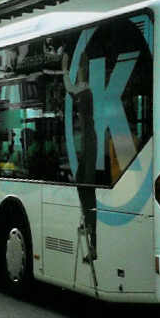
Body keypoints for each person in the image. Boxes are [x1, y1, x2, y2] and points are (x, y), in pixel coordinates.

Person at [62, 51, 98, 261]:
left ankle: (93, 244)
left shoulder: (85, 90)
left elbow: (70, 89)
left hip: (90, 143)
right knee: (83, 187)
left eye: (81, 68)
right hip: (88, 143)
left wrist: (65, 69)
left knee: (87, 191)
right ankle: (89, 228)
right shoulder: (86, 90)